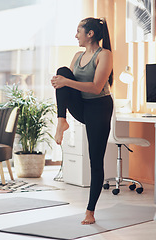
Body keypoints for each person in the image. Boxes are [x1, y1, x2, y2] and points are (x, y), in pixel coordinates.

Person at [51, 17, 113, 225]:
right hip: (82, 106)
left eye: (79, 31)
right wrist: (62, 82)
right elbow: (69, 84)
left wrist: (66, 82)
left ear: (90, 34)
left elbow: (96, 87)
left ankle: (90, 211)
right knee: (62, 72)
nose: (75, 35)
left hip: (99, 107)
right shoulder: (77, 55)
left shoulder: (104, 55)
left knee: (95, 160)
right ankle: (62, 121)